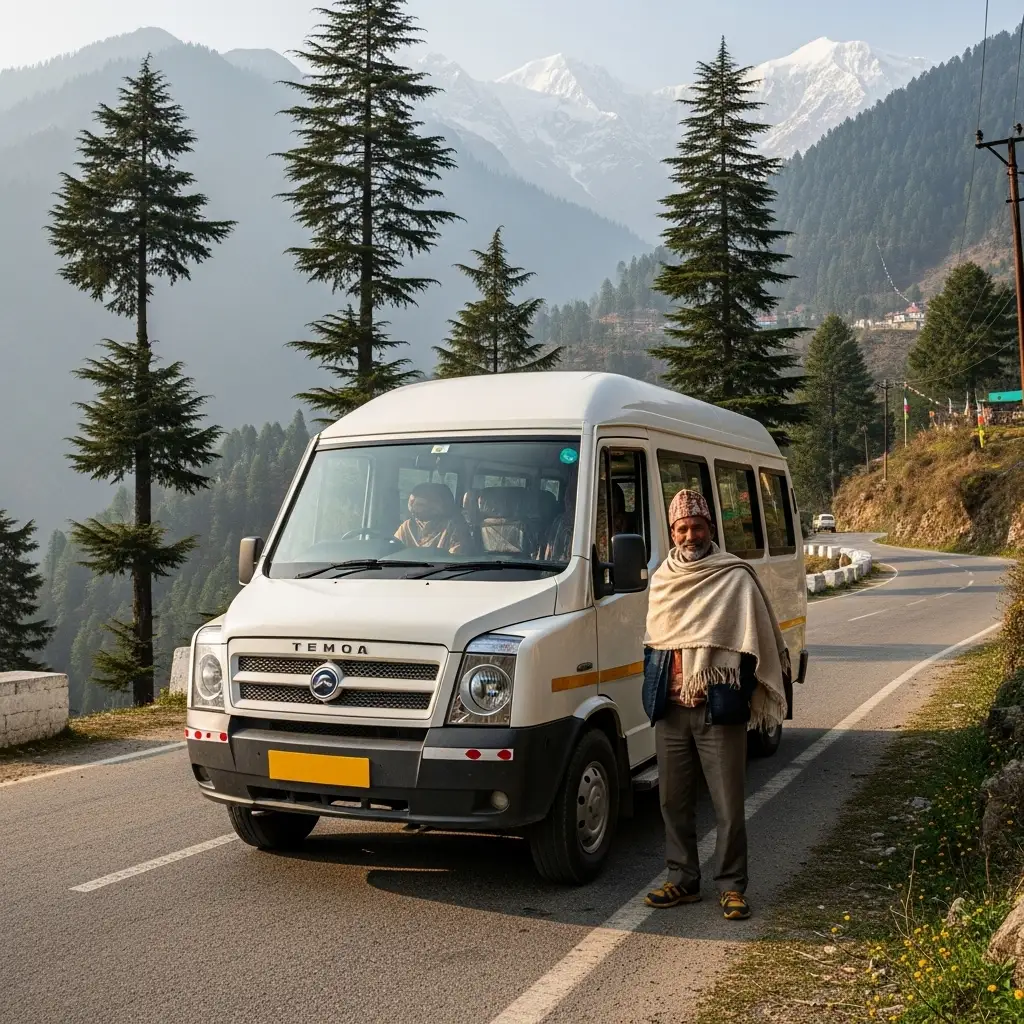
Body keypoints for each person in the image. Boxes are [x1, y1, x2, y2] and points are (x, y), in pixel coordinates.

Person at [641, 489, 789, 921]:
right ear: (672, 532)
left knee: (728, 802)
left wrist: (741, 689)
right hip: (670, 709)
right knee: (672, 801)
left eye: (697, 526)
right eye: (682, 528)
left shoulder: (734, 577)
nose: (690, 534)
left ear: (710, 529)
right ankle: (682, 879)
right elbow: (654, 642)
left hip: (718, 707)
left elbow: (755, 638)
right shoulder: (663, 579)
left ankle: (731, 886)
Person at [394, 483, 472, 555]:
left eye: (420, 505)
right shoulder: (408, 526)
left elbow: (456, 560)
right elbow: (393, 551)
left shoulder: (455, 528)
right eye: (412, 504)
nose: (413, 509)